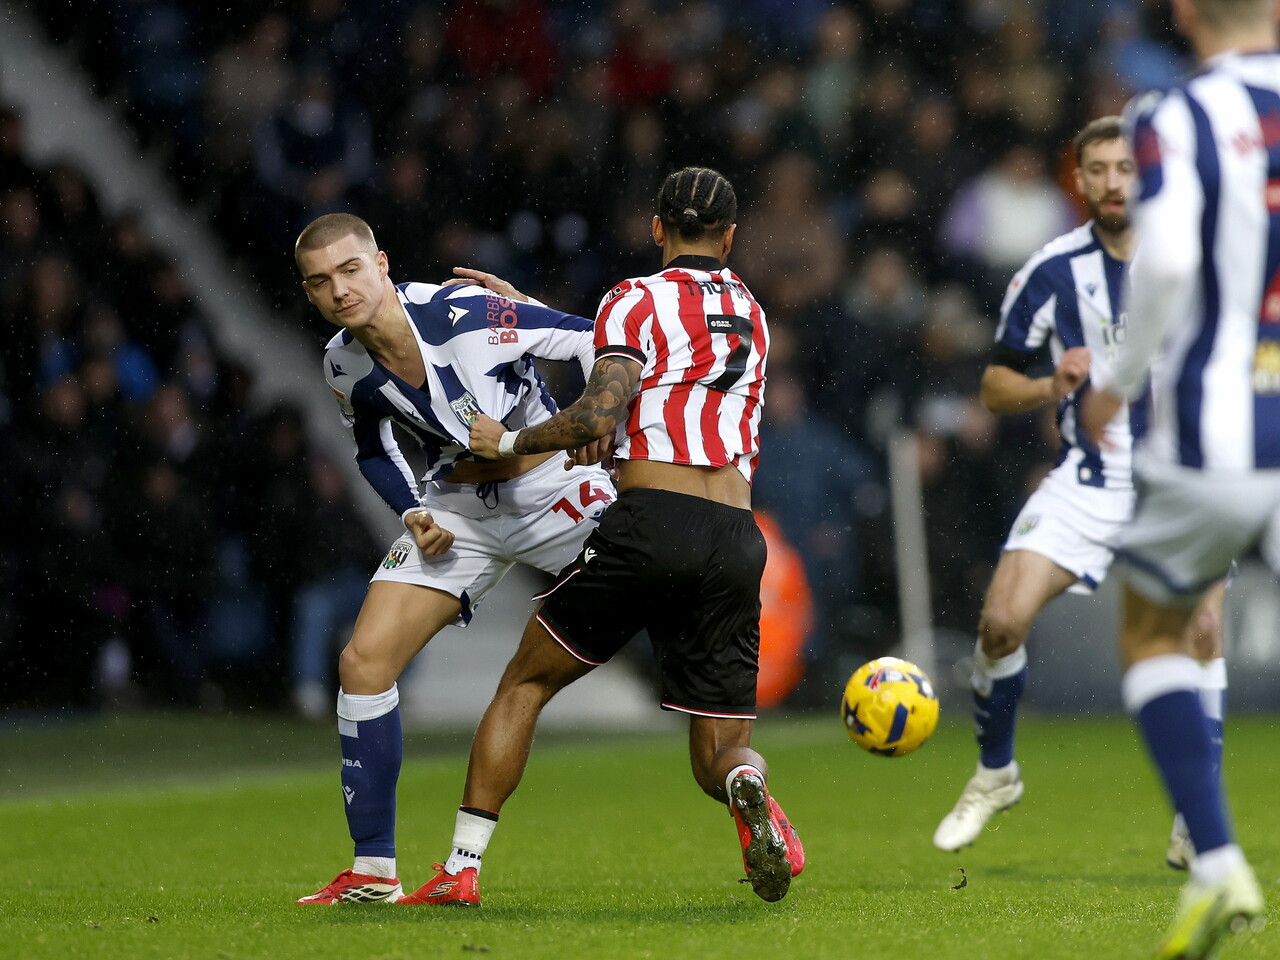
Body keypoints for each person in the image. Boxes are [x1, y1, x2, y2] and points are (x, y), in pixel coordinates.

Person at [399, 167, 804, 908]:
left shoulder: (632, 297)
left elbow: (594, 414)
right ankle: (749, 785)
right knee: (718, 750)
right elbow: (676, 378)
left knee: (525, 683)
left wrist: (507, 438)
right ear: (732, 236)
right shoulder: (752, 310)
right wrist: (534, 317)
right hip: (737, 534)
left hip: (652, 523)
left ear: (657, 228)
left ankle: (461, 867)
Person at [292, 213, 615, 905]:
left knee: (682, 599)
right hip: (459, 511)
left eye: (350, 270)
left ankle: (748, 790)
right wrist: (412, 511)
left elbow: (594, 339)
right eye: (320, 282)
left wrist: (596, 415)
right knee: (362, 662)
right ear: (310, 293)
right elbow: (374, 449)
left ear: (381, 263)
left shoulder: (464, 310)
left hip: (556, 484)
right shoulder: (341, 363)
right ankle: (374, 870)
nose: (339, 290)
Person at [933, 118, 1229, 864]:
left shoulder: (1198, 255)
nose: (1112, 182)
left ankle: (1196, 816)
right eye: (1096, 170)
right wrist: (1047, 383)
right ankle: (997, 773)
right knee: (999, 623)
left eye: (1125, 167)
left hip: (1185, 479)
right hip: (1089, 480)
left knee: (1200, 635)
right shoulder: (1052, 270)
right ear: (1081, 180)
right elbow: (994, 385)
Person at [1081, 2, 1280, 956]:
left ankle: (1216, 863)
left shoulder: (1174, 114)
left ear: (1185, 13)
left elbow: (1162, 265)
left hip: (1216, 429)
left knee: (1155, 626)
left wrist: (1116, 383)